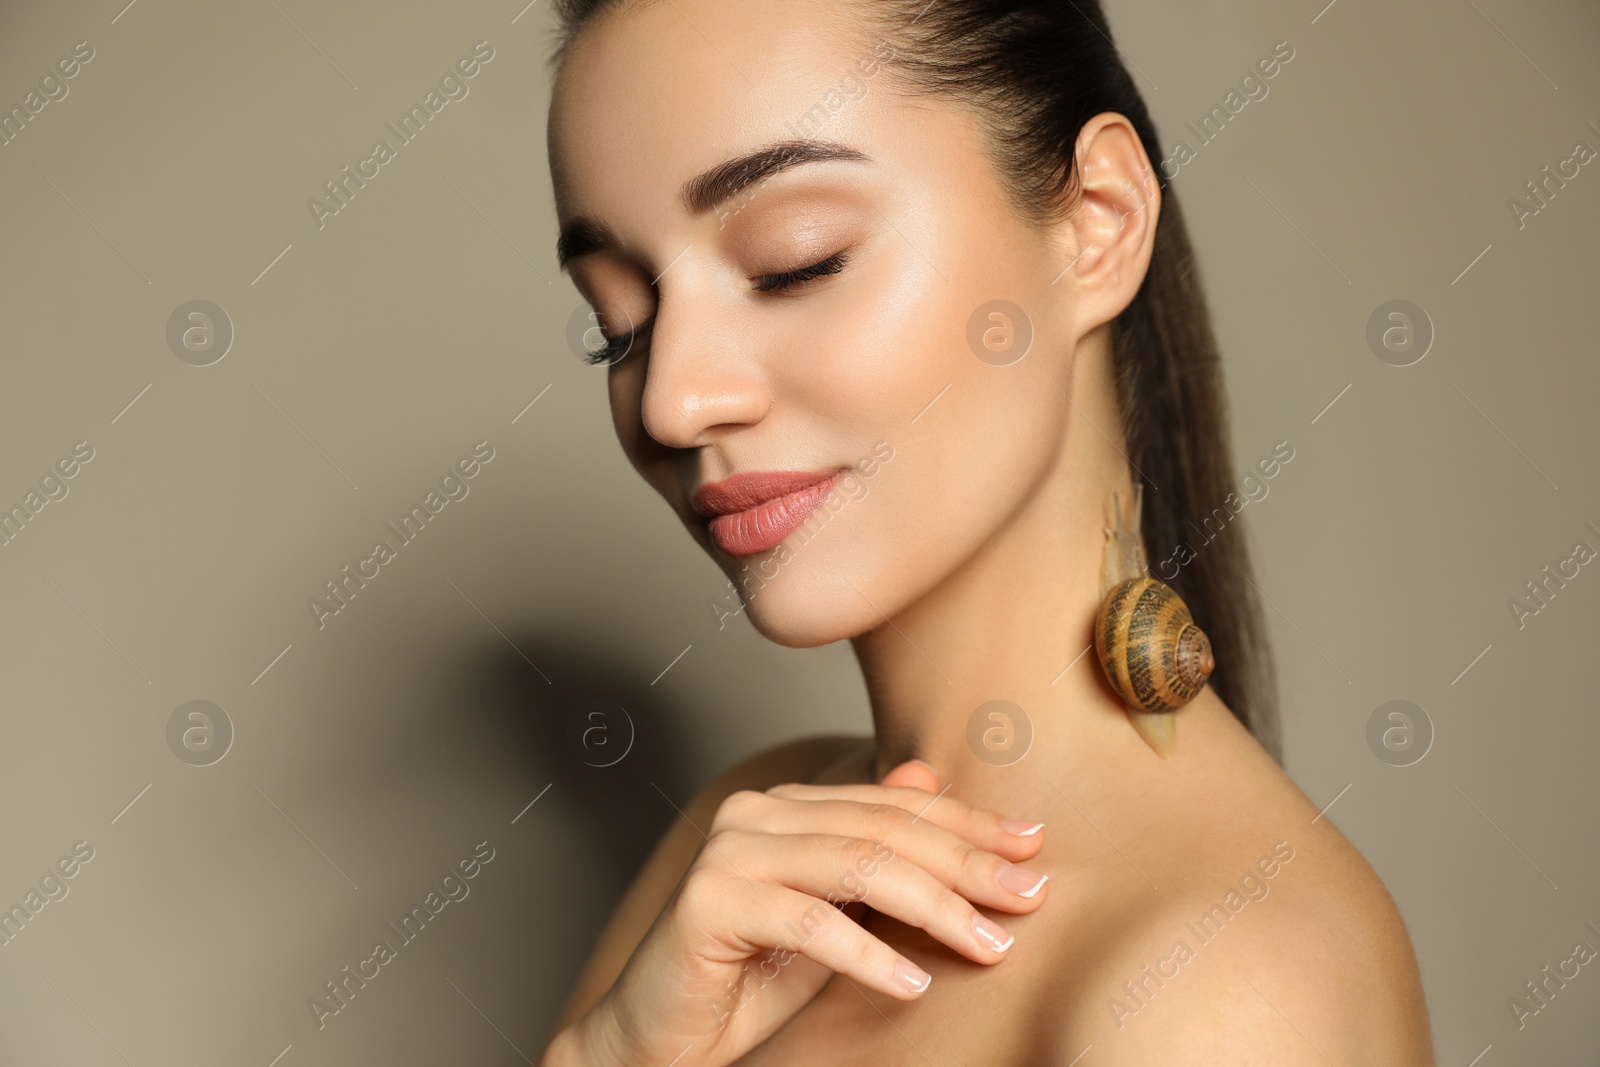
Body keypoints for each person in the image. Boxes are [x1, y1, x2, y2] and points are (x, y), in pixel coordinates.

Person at [539, 0, 1434, 1062]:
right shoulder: (737, 842)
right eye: (620, 328)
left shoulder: (1225, 979)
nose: (672, 402)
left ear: (1095, 221)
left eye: (795, 259)